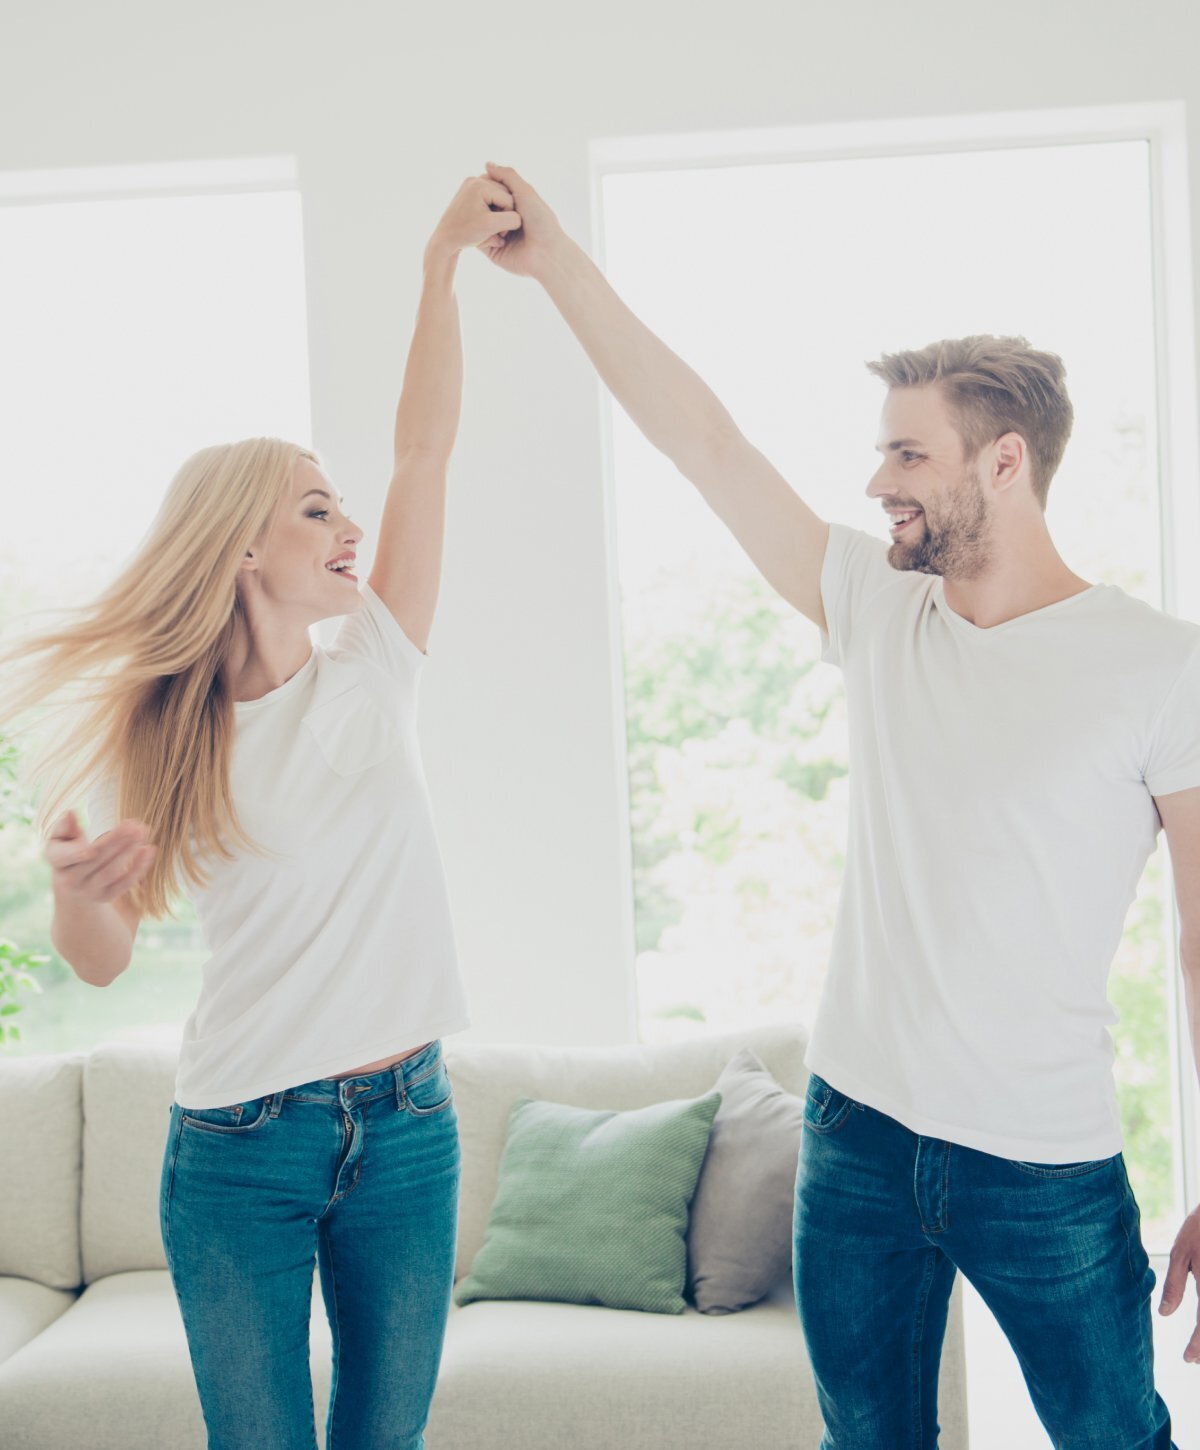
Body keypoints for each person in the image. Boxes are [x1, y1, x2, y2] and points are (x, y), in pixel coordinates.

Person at [479, 160, 1200, 1447]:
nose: (878, 482)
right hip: (856, 1134)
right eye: (880, 453)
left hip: (1044, 1164)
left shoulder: (1157, 666)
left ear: (1007, 461)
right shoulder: (881, 607)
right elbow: (706, 442)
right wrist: (558, 268)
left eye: (908, 454)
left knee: (1117, 1437)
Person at [1, 173, 522, 1450]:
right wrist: (79, 897)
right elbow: (106, 958)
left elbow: (424, 450)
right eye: (315, 509)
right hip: (241, 1146)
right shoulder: (167, 732)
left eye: (339, 505)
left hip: (409, 1126)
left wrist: (439, 266)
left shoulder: (378, 666)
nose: (350, 526)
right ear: (243, 549)